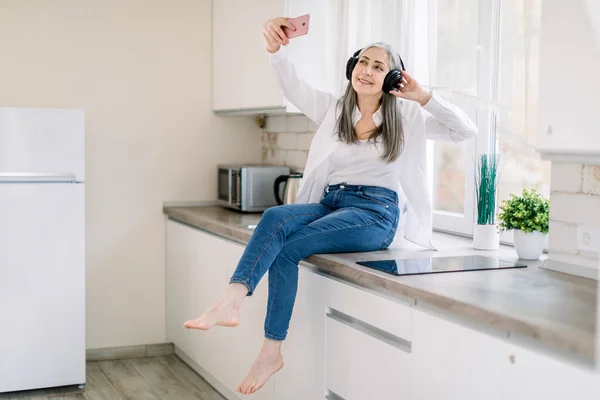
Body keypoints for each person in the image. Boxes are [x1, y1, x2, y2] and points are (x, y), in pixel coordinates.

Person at [184, 16, 477, 395]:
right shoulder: (336, 109)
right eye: (362, 62)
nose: (367, 70)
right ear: (351, 68)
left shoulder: (406, 115)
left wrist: (423, 96)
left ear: (392, 79)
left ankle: (270, 348)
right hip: (333, 201)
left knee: (289, 248)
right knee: (275, 217)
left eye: (378, 66)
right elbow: (293, 85)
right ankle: (231, 300)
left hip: (376, 213)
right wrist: (276, 51)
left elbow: (465, 131)